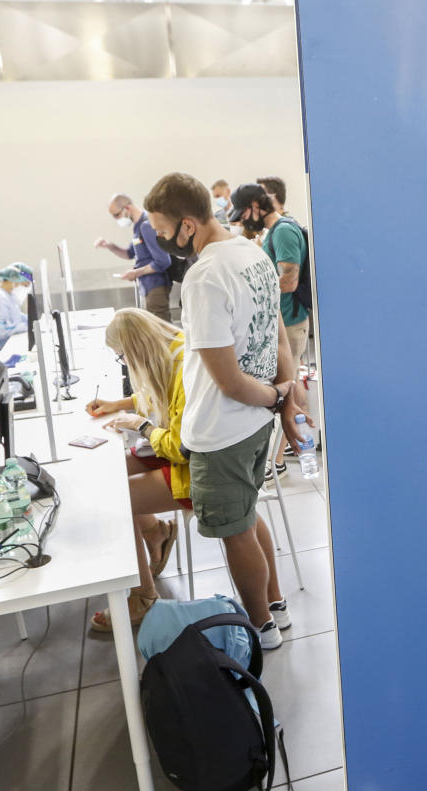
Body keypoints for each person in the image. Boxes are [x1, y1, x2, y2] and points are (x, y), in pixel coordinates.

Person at [143, 172, 311, 650]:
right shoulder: (251, 253)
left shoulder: (204, 276)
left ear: (189, 225)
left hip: (224, 427)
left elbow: (228, 380)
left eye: (162, 228)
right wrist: (281, 397)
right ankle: (274, 604)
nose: (159, 238)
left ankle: (261, 627)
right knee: (247, 514)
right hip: (254, 423)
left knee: (235, 530)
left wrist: (280, 398)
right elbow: (277, 333)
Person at [84, 308, 191, 630]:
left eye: (122, 356)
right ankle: (155, 531)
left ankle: (144, 595)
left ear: (135, 348)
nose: (125, 362)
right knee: (106, 472)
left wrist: (141, 426)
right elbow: (160, 393)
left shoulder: (186, 366)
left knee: (117, 499)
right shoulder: (174, 348)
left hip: (196, 467)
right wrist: (119, 405)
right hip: (177, 449)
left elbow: (180, 447)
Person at [230, 183, 312, 482]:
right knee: (292, 386)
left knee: (286, 390)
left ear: (256, 205)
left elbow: (288, 281)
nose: (244, 221)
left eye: (244, 213)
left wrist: (251, 290)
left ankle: (275, 460)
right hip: (284, 323)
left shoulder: (283, 231)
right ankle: (285, 449)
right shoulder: (272, 233)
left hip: (289, 323)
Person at [94, 194, 173, 322]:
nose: (116, 219)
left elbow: (163, 261)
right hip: (147, 287)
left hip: (156, 286)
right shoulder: (138, 227)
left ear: (128, 208)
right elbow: (129, 254)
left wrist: (136, 273)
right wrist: (109, 246)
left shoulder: (147, 225)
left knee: (162, 331)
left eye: (117, 215)